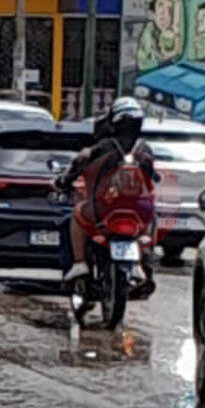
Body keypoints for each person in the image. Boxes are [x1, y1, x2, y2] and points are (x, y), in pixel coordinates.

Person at [59, 99, 159, 280]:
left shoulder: (103, 148)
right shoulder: (145, 150)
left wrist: (63, 181)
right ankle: (144, 262)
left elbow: (80, 164)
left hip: (103, 210)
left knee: (76, 215)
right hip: (139, 212)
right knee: (153, 214)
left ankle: (80, 263)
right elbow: (152, 176)